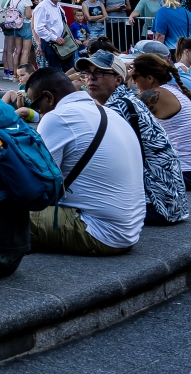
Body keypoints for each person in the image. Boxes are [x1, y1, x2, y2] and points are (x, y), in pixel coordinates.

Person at [22, 67, 146, 254]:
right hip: (130, 229)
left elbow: (37, 183)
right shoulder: (108, 113)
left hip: (99, 232)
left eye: (35, 104)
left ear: (48, 97)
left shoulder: (56, 117)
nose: (37, 110)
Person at [73, 50, 189, 224]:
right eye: (87, 73)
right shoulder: (127, 100)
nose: (91, 77)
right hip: (171, 202)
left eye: (99, 72)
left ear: (118, 80)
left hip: (157, 205)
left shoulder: (119, 108)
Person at [128, 49, 191, 189]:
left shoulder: (154, 95)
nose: (133, 82)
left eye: (135, 77)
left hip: (183, 171)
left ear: (150, 79)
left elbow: (115, 111)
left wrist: (122, 76)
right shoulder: (173, 89)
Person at [0, 0, 32, 80]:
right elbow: (28, 15)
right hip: (25, 25)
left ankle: (15, 75)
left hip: (16, 26)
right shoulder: (26, 0)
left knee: (17, 51)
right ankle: (24, 76)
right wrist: (34, 13)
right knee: (25, 52)